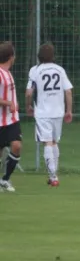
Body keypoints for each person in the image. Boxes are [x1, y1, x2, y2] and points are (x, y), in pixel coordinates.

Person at [25, 43, 74, 186]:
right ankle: (54, 175)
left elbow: (29, 92)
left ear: (39, 56)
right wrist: (69, 110)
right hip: (58, 111)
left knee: (47, 142)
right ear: (53, 56)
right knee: (54, 141)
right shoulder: (60, 70)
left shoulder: (35, 70)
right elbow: (68, 91)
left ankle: (53, 177)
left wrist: (28, 105)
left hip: (42, 112)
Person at [0, 41, 21, 192]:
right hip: (0, 121)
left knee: (17, 146)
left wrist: (15, 103)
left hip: (12, 120)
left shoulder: (8, 73)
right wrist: (8, 103)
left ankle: (5, 179)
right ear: (10, 57)